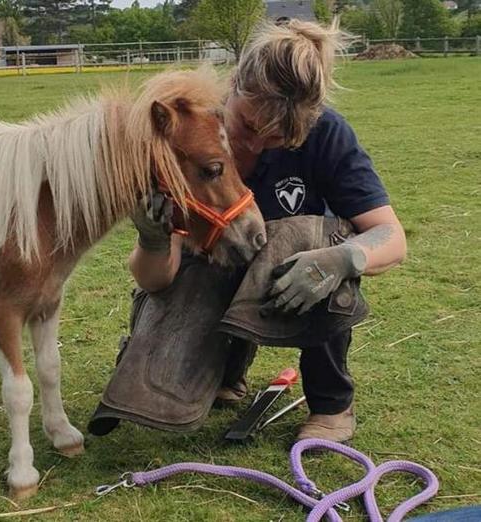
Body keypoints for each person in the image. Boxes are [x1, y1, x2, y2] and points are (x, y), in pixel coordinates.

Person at [128, 20, 407, 442]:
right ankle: (224, 371)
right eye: (248, 126)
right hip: (213, 274)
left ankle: (332, 404)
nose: (256, 146)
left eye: (278, 138)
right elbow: (155, 278)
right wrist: (152, 238)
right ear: (235, 82)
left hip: (291, 281)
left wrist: (343, 258)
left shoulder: (328, 134)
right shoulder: (189, 133)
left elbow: (390, 235)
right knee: (163, 379)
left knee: (317, 242)